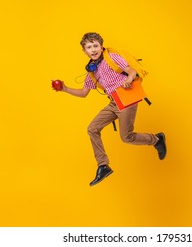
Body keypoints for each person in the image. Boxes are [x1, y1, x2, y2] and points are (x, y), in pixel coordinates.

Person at [57, 32, 166, 186]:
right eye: (89, 47)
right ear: (84, 51)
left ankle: (156, 139)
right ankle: (103, 165)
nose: (93, 49)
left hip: (127, 99)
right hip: (113, 103)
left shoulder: (111, 58)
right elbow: (83, 93)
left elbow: (131, 71)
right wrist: (65, 89)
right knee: (92, 128)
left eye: (95, 46)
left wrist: (128, 79)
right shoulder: (92, 72)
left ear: (101, 47)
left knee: (126, 137)